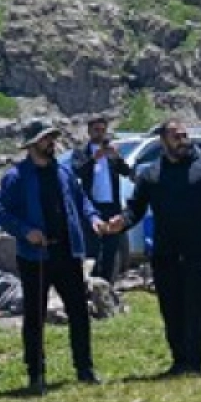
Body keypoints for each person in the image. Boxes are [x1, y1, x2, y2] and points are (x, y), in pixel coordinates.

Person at [109, 119, 201, 377]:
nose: (183, 141)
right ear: (163, 141)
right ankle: (179, 360)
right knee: (171, 308)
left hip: (197, 250)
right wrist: (120, 223)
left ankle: (194, 362)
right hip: (164, 252)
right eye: (176, 137)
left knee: (196, 307)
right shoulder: (151, 174)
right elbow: (135, 208)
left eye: (184, 136)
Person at [0, 121, 107, 393]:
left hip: (67, 252)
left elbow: (82, 202)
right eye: (46, 140)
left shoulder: (64, 172)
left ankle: (84, 368)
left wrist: (93, 219)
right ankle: (36, 374)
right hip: (35, 256)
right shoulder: (16, 177)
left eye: (53, 139)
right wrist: (26, 231)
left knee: (79, 312)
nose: (51, 144)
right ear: (32, 145)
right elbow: (1, 213)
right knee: (35, 316)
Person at [72, 115, 133, 283]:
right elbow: (78, 172)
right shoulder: (81, 153)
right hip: (91, 208)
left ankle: (107, 286)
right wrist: (94, 159)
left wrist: (116, 157)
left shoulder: (111, 153)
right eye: (96, 130)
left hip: (111, 207)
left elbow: (127, 172)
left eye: (103, 130)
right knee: (92, 250)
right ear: (89, 131)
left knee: (111, 250)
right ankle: (91, 285)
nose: (100, 134)